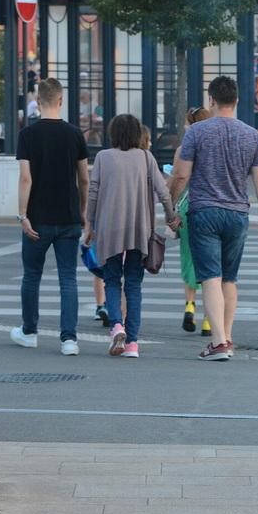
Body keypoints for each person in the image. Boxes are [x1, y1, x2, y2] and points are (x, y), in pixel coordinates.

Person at [169, 76, 258, 361]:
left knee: (210, 278)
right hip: (238, 213)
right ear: (237, 101)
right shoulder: (251, 135)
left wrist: (170, 207)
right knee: (229, 278)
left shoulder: (196, 132)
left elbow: (181, 175)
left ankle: (218, 343)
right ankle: (226, 337)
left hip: (204, 212)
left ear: (211, 100)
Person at [85, 114, 179, 358]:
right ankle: (132, 344)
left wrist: (89, 224)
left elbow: (93, 193)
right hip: (139, 229)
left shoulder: (103, 157)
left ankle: (117, 325)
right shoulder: (146, 157)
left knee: (112, 280)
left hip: (109, 229)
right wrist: (171, 217)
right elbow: (163, 192)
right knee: (134, 285)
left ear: (113, 134)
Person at [11, 78, 89, 356]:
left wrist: (23, 215)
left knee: (32, 276)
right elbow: (84, 178)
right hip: (68, 217)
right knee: (68, 278)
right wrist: (82, 211)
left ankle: (29, 331)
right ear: (61, 100)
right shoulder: (75, 134)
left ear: (38, 101)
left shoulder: (27, 135)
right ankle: (69, 340)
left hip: (37, 218)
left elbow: (25, 178)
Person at [171, 106, 213, 336]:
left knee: (188, 257)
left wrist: (171, 208)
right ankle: (208, 319)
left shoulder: (183, 149)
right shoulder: (215, 146)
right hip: (213, 204)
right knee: (211, 262)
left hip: (190, 204)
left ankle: (189, 306)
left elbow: (178, 177)